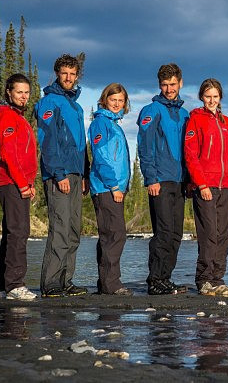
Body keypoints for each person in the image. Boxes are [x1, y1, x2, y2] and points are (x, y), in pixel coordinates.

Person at [35, 54, 89, 298]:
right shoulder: (50, 102)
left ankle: (66, 280)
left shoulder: (76, 107)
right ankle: (51, 283)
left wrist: (85, 174)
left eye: (72, 74)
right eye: (64, 73)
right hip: (60, 175)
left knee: (73, 229)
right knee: (60, 228)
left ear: (77, 76)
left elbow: (81, 145)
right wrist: (58, 174)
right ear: (57, 73)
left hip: (76, 174)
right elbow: (47, 141)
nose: (68, 77)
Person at [184, 78, 228, 297]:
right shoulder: (195, 119)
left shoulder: (226, 122)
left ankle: (218, 279)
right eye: (208, 96)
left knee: (223, 234)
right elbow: (191, 154)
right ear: (201, 97)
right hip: (205, 186)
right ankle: (204, 280)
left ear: (220, 98)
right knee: (208, 233)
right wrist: (201, 184)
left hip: (226, 185)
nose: (211, 100)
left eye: (215, 96)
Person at [137, 63, 190, 295]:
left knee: (176, 234)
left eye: (173, 84)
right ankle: (155, 280)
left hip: (180, 182)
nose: (169, 89)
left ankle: (166, 278)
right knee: (164, 232)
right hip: (160, 180)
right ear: (159, 85)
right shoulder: (151, 111)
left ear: (181, 83)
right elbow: (145, 147)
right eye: (165, 85)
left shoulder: (185, 114)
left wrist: (189, 180)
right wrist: (151, 178)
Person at [0, 73, 38, 301]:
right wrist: (22, 184)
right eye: (19, 92)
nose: (23, 96)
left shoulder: (17, 117)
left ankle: (2, 286)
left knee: (12, 232)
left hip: (17, 182)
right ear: (9, 92)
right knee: (19, 231)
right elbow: (9, 154)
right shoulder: (8, 116)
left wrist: (30, 183)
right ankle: (15, 285)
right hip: (11, 182)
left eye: (26, 92)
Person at [89, 83, 133, 296]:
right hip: (106, 187)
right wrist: (114, 185)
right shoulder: (101, 123)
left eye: (120, 100)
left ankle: (106, 282)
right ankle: (111, 284)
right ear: (105, 100)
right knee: (115, 235)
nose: (116, 104)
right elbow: (101, 157)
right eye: (113, 99)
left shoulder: (113, 124)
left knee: (110, 235)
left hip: (114, 187)